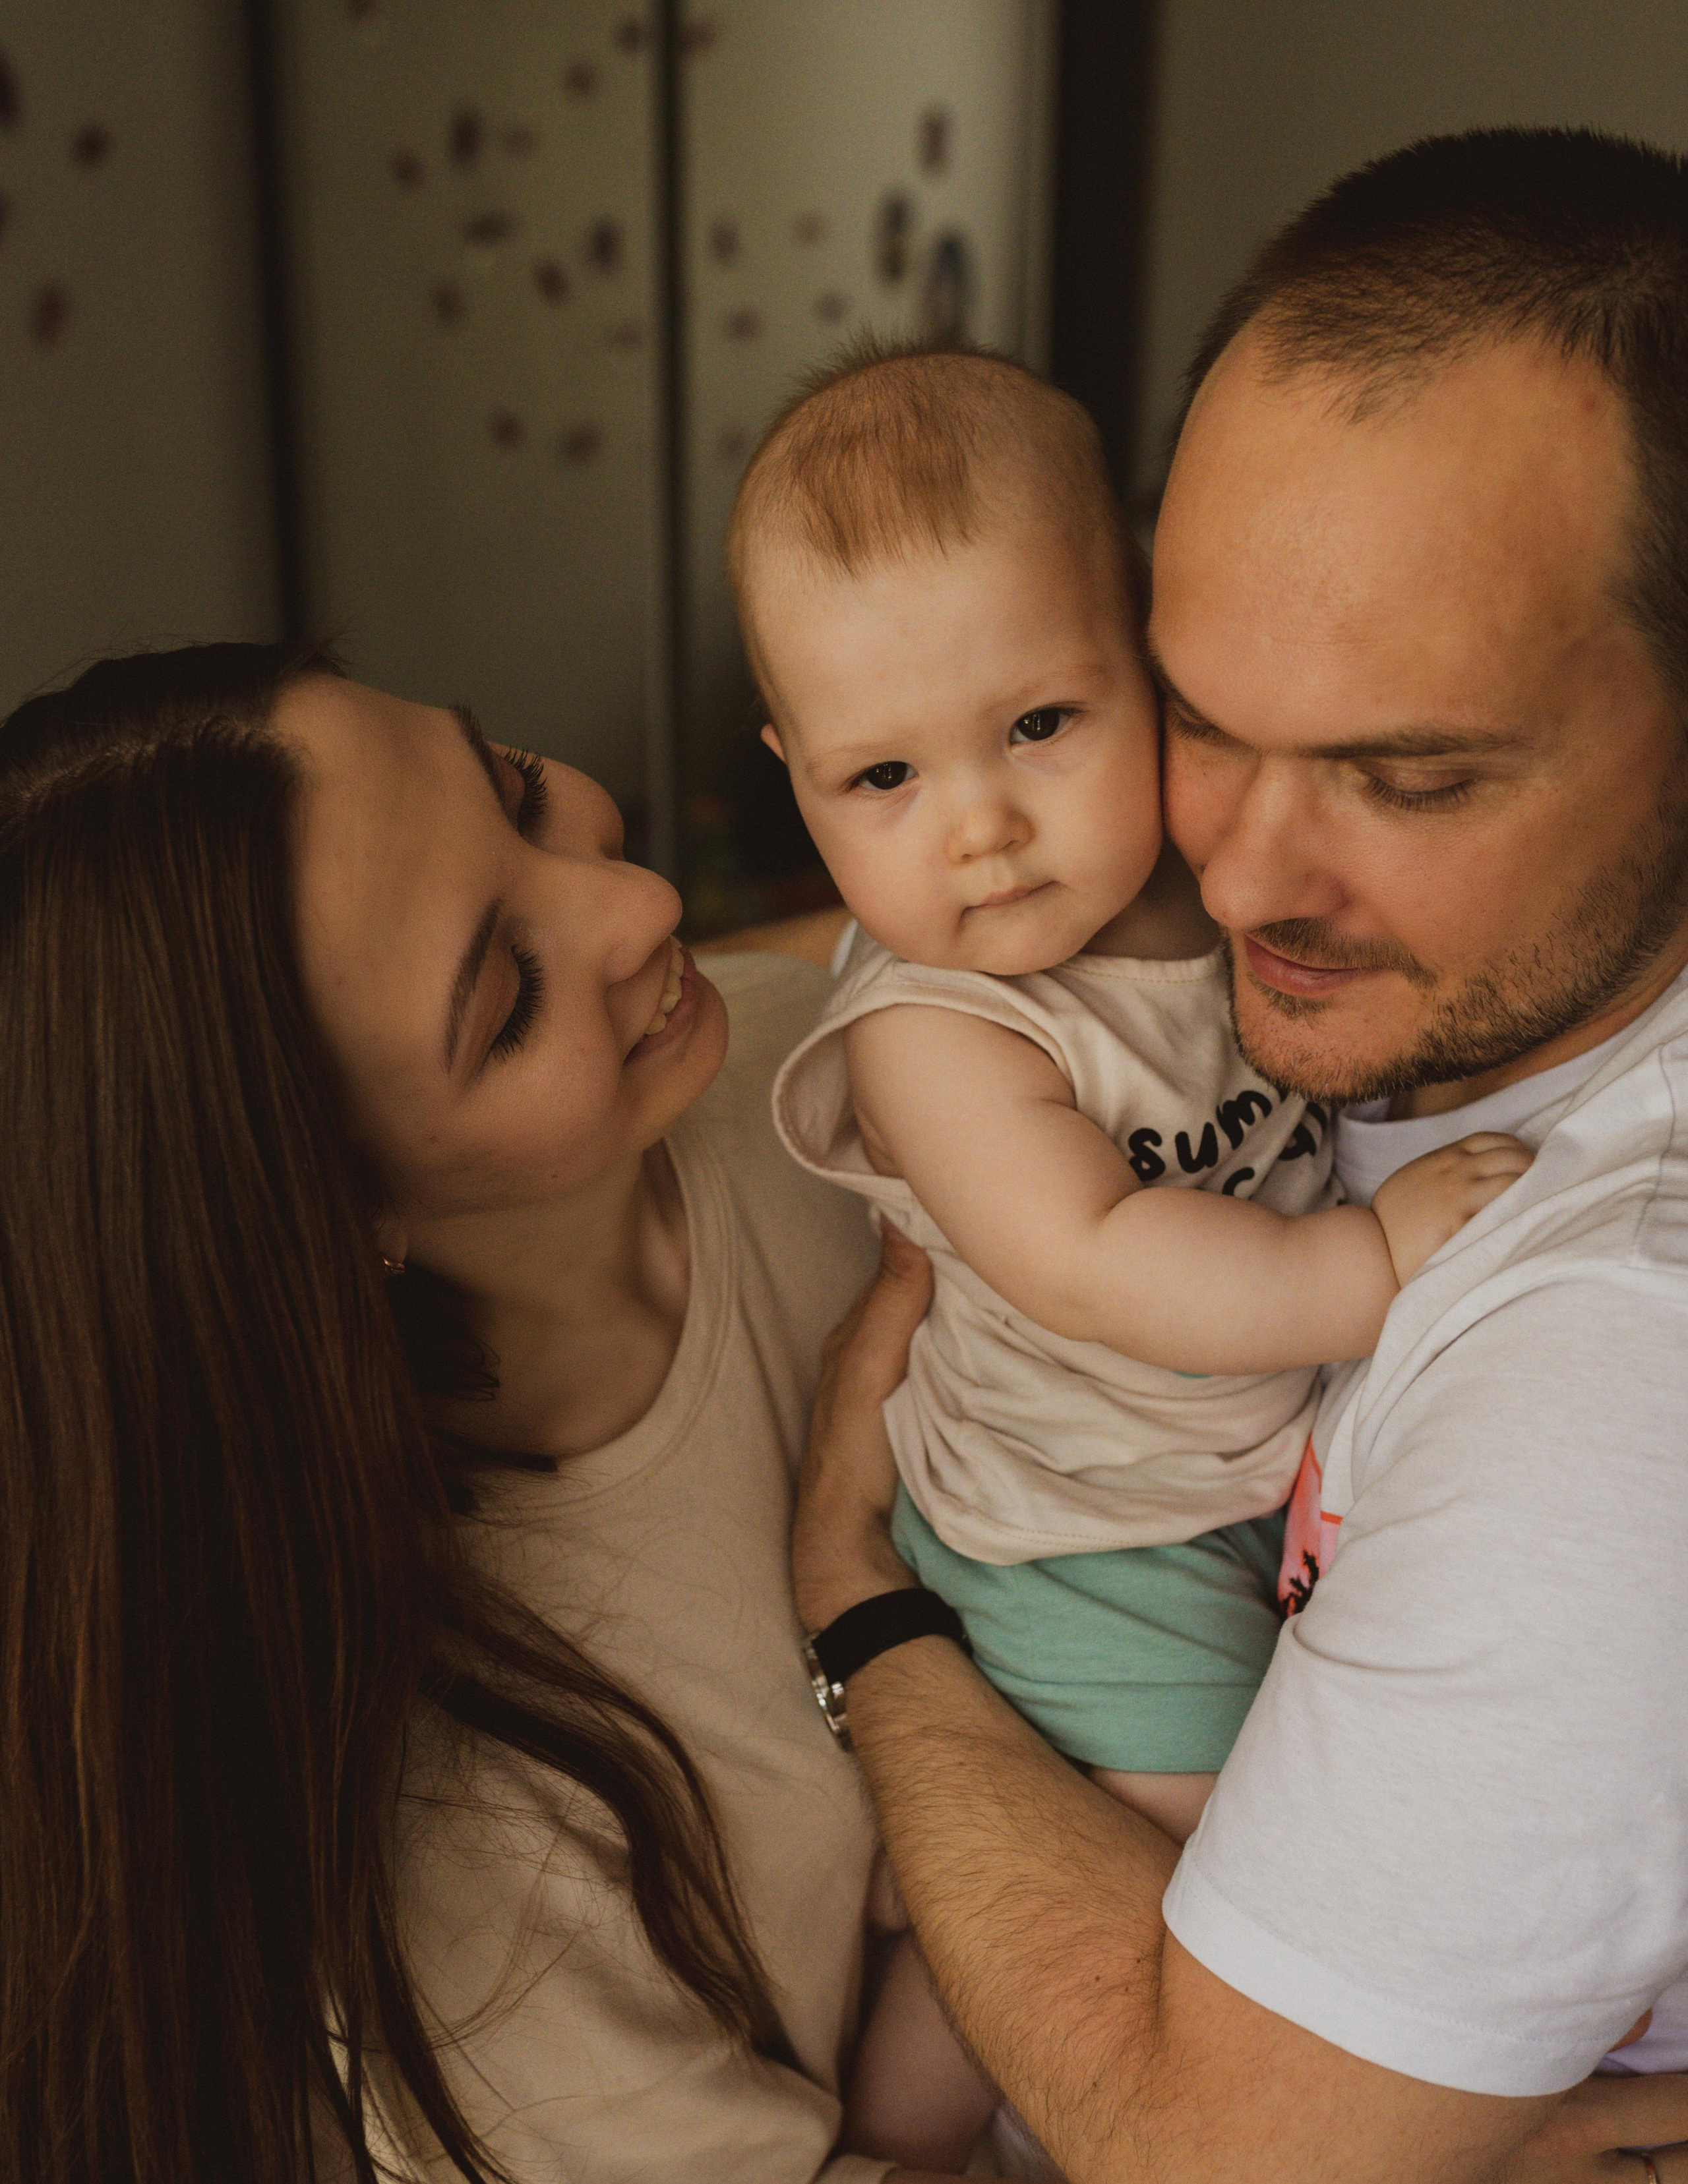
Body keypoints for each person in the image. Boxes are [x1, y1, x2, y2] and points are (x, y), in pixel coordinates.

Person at [791, 127, 1688, 2183]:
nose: (1241, 870)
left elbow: (1216, 2152)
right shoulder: (1263, 959)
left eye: (1412, 775)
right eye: (1191, 715)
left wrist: (855, 1612)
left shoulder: (1620, 1361)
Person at [0, 641, 959, 2184]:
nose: (639, 899)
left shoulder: (798, 1063)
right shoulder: (455, 1850)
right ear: (335, 1216)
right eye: (506, 998)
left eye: (512, 786)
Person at [727, 342, 1527, 2170]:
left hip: (1228, 1467)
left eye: (1039, 725)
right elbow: (1090, 1255)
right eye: (880, 777)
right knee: (1195, 1850)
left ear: (1144, 652)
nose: (980, 828)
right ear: (790, 777)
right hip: (1087, 1523)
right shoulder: (938, 1026)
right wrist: (1364, 1265)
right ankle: (914, 2128)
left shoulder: (1194, 883)